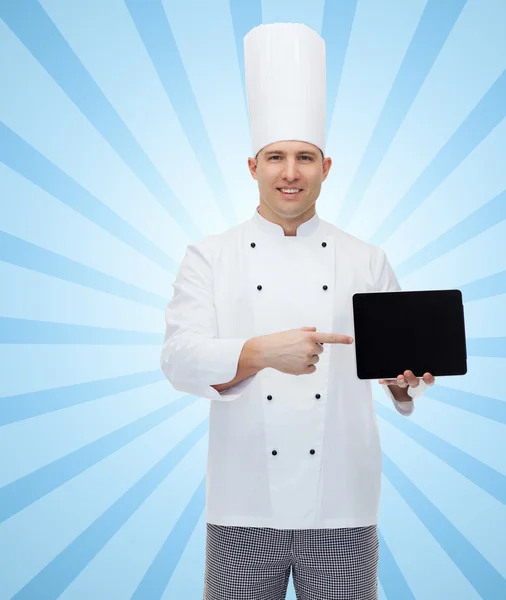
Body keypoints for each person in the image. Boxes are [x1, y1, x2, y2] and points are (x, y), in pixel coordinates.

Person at [160, 23, 435, 600]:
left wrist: (404, 385)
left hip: (343, 502)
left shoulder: (367, 258)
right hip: (241, 503)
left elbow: (397, 366)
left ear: (326, 166)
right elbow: (177, 360)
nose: (291, 172)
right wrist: (258, 352)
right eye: (277, 157)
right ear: (253, 165)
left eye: (305, 157)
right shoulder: (209, 256)